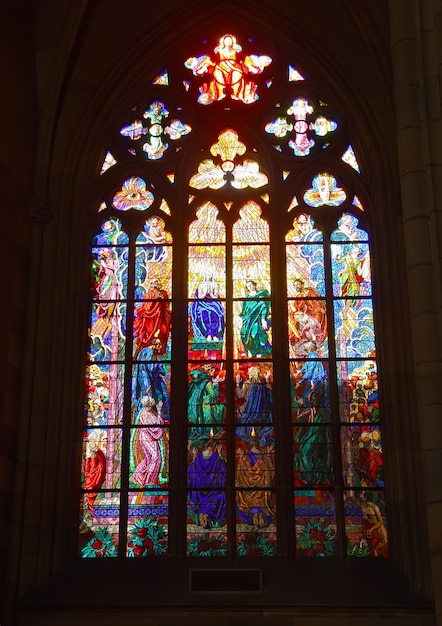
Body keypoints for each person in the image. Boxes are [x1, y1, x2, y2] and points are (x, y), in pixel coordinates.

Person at [236, 436, 275, 528]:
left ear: (250, 445)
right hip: (261, 490)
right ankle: (260, 516)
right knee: (261, 499)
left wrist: (241, 458)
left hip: (249, 490)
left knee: (248, 499)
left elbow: (240, 473)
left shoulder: (245, 457)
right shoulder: (263, 456)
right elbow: (270, 470)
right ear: (257, 444)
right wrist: (269, 454)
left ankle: (254, 515)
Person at [187, 438, 227, 528]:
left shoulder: (199, 457)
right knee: (219, 496)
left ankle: (203, 514)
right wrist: (220, 453)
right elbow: (223, 470)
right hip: (213, 489)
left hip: (199, 491)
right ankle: (207, 516)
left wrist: (194, 456)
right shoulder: (216, 457)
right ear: (213, 447)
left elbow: (191, 472)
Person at [131, 395, 165, 487]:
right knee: (156, 457)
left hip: (147, 438)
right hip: (148, 439)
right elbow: (156, 426)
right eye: (150, 405)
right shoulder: (146, 414)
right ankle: (150, 480)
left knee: (149, 458)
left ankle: (136, 475)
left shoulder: (145, 412)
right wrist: (159, 410)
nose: (150, 407)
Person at [133, 337, 170, 421]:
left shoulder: (143, 351)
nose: (160, 348)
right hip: (146, 379)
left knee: (143, 395)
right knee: (150, 396)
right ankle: (148, 418)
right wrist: (158, 364)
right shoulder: (150, 352)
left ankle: (141, 417)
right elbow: (151, 367)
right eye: (159, 345)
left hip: (141, 378)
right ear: (156, 345)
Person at [236, 366, 273, 446]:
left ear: (251, 374)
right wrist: (267, 380)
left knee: (238, 411)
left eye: (249, 372)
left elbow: (240, 395)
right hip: (261, 411)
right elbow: (270, 392)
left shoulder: (247, 383)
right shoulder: (262, 384)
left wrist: (237, 383)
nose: (248, 374)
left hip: (247, 408)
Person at [188, 364, 224, 444]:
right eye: (213, 371)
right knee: (209, 424)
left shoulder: (200, 382)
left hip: (200, 407)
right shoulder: (207, 383)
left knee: (202, 424)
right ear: (209, 371)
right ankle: (208, 439)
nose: (214, 373)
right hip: (207, 408)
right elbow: (214, 395)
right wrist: (216, 384)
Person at [133, 278, 171, 356]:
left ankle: (161, 351)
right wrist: (154, 299)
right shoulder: (148, 295)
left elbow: (167, 305)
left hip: (161, 318)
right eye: (153, 287)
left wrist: (162, 298)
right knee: (147, 336)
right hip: (150, 320)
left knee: (163, 332)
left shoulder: (163, 293)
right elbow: (146, 308)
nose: (154, 289)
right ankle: (143, 353)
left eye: (156, 287)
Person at [189, 270, 225, 344]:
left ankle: (215, 334)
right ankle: (208, 334)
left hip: (213, 303)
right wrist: (205, 292)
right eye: (207, 275)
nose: (208, 277)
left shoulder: (215, 285)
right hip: (202, 303)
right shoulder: (201, 285)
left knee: (216, 314)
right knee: (204, 313)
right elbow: (199, 297)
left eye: (210, 275)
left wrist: (211, 293)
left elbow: (215, 297)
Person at [239, 279, 272, 357]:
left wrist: (263, 319)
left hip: (257, 319)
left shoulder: (259, 296)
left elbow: (263, 307)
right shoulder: (247, 297)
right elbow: (244, 310)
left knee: (255, 334)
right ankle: (248, 351)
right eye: (247, 286)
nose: (249, 287)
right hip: (247, 320)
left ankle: (260, 351)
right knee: (244, 333)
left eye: (250, 285)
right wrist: (242, 317)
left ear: (254, 285)